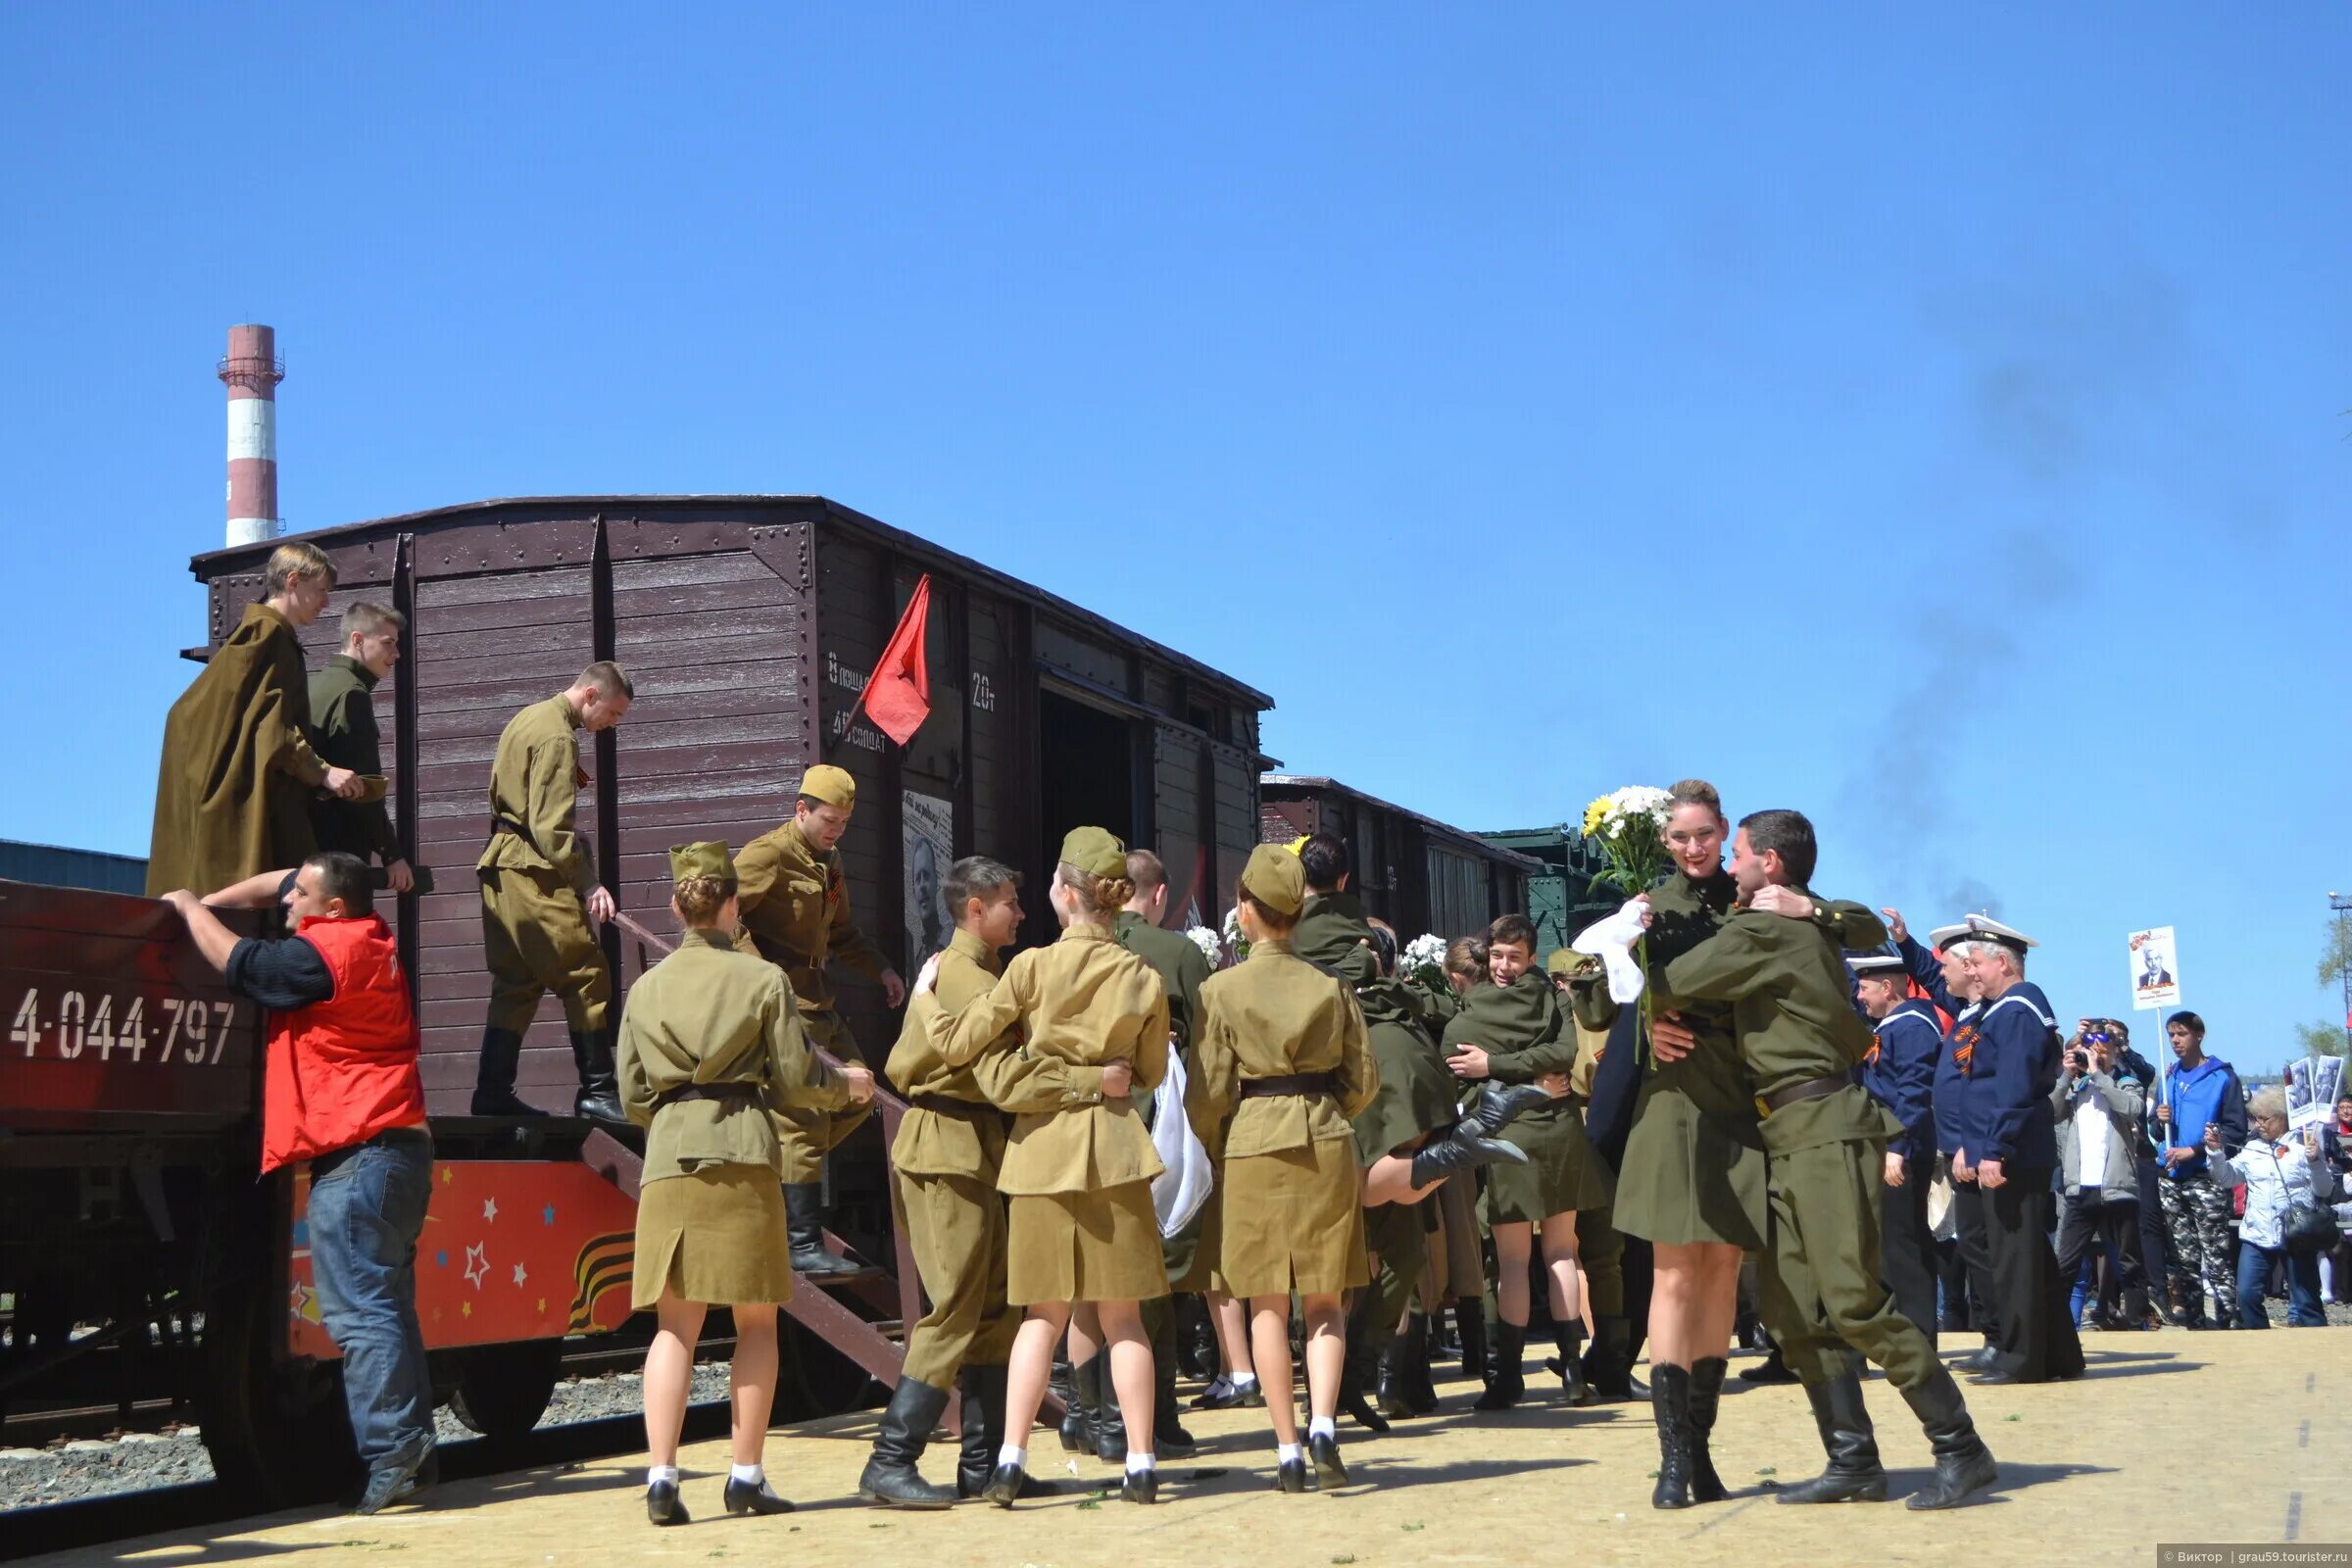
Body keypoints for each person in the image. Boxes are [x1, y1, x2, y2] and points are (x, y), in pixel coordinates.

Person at [1644, 809, 1997, 1511]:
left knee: (1855, 1302)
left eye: (1738, 853)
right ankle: (1852, 1458)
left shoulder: (1767, 927)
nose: (1729, 864)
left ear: (1770, 864)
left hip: (1822, 1127)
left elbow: (1678, 980)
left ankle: (1960, 1446)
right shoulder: (1797, 922)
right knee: (1791, 1306)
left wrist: (1630, 943)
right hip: (1785, 1130)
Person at [1570, 779, 1886, 1509]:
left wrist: (1811, 905)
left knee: (1721, 1274)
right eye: (1679, 837)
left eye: (1706, 835)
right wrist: (1644, 1014)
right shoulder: (1649, 905)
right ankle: (1674, 1462)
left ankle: (1704, 1453)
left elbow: (1867, 930)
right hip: (1677, 1102)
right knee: (1678, 1272)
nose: (1693, 849)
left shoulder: (1759, 893)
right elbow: (1592, 989)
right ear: (1661, 841)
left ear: (1728, 838)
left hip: (1748, 1102)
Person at [162, 852, 432, 1515]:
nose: (286, 903)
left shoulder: (322, 955)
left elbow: (241, 964)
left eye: (298, 897)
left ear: (330, 908)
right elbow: (276, 883)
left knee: (360, 1313)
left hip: (360, 1155)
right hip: (397, 1150)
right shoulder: (362, 935)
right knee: (388, 1307)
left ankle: (393, 1460)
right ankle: (410, 1451)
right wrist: (220, 891)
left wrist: (191, 909)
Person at [616, 842, 876, 1526]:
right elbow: (794, 1078)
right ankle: (745, 1477)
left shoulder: (645, 989)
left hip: (671, 1157)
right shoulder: (764, 983)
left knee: (675, 1327)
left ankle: (663, 1479)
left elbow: (632, 1094)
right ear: (733, 908)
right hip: (743, 1153)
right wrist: (844, 1087)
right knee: (755, 1320)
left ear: (676, 907)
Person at [919, 827, 1171, 1506]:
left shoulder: (1028, 968)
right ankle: (1141, 1465)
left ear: (1064, 893)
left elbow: (961, 1041)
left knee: (1041, 1316)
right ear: (1117, 899)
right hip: (1116, 1156)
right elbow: (1146, 1071)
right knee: (1124, 1320)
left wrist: (925, 997)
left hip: (1039, 1158)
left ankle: (1008, 1459)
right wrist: (1099, 1074)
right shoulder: (1142, 976)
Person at [862, 856, 1119, 1506]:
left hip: (977, 1145)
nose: (1022, 913)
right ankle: (890, 1461)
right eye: (1010, 901)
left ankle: (980, 1466)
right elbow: (1003, 1077)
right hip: (948, 1145)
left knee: (997, 1307)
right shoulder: (964, 978)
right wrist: (1091, 1082)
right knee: (954, 1305)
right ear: (974, 908)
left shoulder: (977, 973)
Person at [1189, 844, 1379, 1492]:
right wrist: (1323, 1107)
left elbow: (1210, 1091)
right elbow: (1364, 1081)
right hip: (1324, 1136)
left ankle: (1289, 1449)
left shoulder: (1219, 989)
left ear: (1246, 908)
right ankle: (1325, 1424)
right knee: (1326, 1296)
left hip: (1251, 1141)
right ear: (1300, 910)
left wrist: (1220, 1134)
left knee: (1266, 1302)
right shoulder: (1332, 986)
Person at [733, 763, 907, 1276]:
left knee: (860, 1090)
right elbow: (722, 912)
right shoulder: (770, 853)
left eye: (845, 823)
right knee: (804, 1116)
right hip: (785, 1004)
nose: (836, 831)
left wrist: (881, 969)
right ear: (801, 810)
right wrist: (762, 978)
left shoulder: (829, 862)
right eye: (829, 820)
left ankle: (781, 1166)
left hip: (819, 1001)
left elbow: (843, 933)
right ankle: (802, 1242)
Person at [1446, 913, 1611, 1410]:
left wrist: (1494, 1066)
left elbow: (1455, 1065)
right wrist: (1535, 1079)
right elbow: (1562, 1050)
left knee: (1515, 1261)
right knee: (1561, 1252)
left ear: (1530, 956)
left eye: (1513, 957)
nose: (1503, 965)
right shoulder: (1551, 994)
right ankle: (1572, 1372)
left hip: (1510, 1138)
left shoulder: (1475, 1007)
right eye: (1497, 955)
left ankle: (1509, 1380)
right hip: (1558, 1128)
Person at [147, 540, 366, 898]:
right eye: (321, 591)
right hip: (248, 811)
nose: (326, 602)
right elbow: (272, 725)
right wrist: (323, 771)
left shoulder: (254, 635)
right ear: (293, 580)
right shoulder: (270, 636)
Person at [471, 662, 633, 1125]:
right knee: (584, 971)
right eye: (614, 713)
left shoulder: (529, 716)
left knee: (517, 982)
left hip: (500, 866)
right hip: (532, 869)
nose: (612, 724)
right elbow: (550, 827)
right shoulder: (560, 736)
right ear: (590, 696)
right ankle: (598, 1093)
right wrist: (589, 883)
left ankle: (491, 1093)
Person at [1102, 846, 1215, 1459]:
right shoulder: (1178, 954)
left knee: (1089, 1279)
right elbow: (1209, 1046)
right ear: (1160, 895)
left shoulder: (1063, 953)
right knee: (1157, 1275)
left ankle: (1093, 1417)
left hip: (1084, 1128)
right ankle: (1158, 1418)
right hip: (1158, 1126)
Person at [1956, 917, 2084, 1384]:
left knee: (2015, 1262)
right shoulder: (2014, 1007)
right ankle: (2059, 1356)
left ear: (2003, 963)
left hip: (2011, 1152)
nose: (1971, 973)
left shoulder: (2015, 1010)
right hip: (2017, 1148)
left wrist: (1995, 1148)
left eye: (1977, 964)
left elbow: (2011, 1085)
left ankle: (2021, 1358)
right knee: (2032, 1258)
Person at [1850, 953, 1942, 1345]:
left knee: (1904, 1244)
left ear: (1888, 988)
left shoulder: (1912, 1027)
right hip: (1885, 1144)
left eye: (1865, 988)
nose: (1860, 997)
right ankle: (1900, 1333)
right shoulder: (1889, 1026)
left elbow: (1912, 1092)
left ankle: (1917, 1335)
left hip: (1900, 1149)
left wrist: (1897, 1146)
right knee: (1888, 1244)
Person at [2205, 1088, 2338, 1329]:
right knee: (2246, 1294)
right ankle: (2261, 1340)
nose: (2258, 1125)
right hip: (2257, 1233)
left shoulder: (2303, 1146)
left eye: (2264, 1119)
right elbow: (2225, 1178)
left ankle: (2318, 1348)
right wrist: (2215, 1153)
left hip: (2296, 1234)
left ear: (2282, 1118)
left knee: (2305, 1300)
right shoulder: (2251, 1149)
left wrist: (2315, 1161)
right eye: (2256, 1118)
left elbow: (2324, 1189)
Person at [308, 601, 416, 894]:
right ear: (357, 640)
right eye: (388, 643)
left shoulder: (314, 686)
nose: (396, 654)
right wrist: (391, 854)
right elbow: (363, 789)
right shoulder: (352, 695)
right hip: (338, 859)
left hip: (306, 854)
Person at [2051, 1022, 2153, 1331]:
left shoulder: (2124, 1082)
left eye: (2101, 1051)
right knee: (2065, 1264)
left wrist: (2099, 1074)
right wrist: (2067, 1075)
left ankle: (2139, 1325)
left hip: (2117, 1188)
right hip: (2080, 1188)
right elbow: (2050, 1112)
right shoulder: (2074, 1087)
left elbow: (2133, 1108)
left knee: (2129, 1262)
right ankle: (2057, 1331)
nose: (2093, 1056)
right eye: (2088, 1051)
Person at [2149, 1011, 2246, 1328]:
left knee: (2215, 1253)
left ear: (2199, 1035)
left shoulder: (2222, 1077)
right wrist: (2158, 1119)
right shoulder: (2169, 1078)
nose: (2176, 1041)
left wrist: (2196, 1149)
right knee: (2183, 1256)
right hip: (2172, 1178)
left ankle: (2229, 1319)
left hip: (2206, 1178)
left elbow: (2235, 1131)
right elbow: (2153, 1130)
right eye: (2171, 1035)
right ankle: (2194, 1319)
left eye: (2182, 1034)